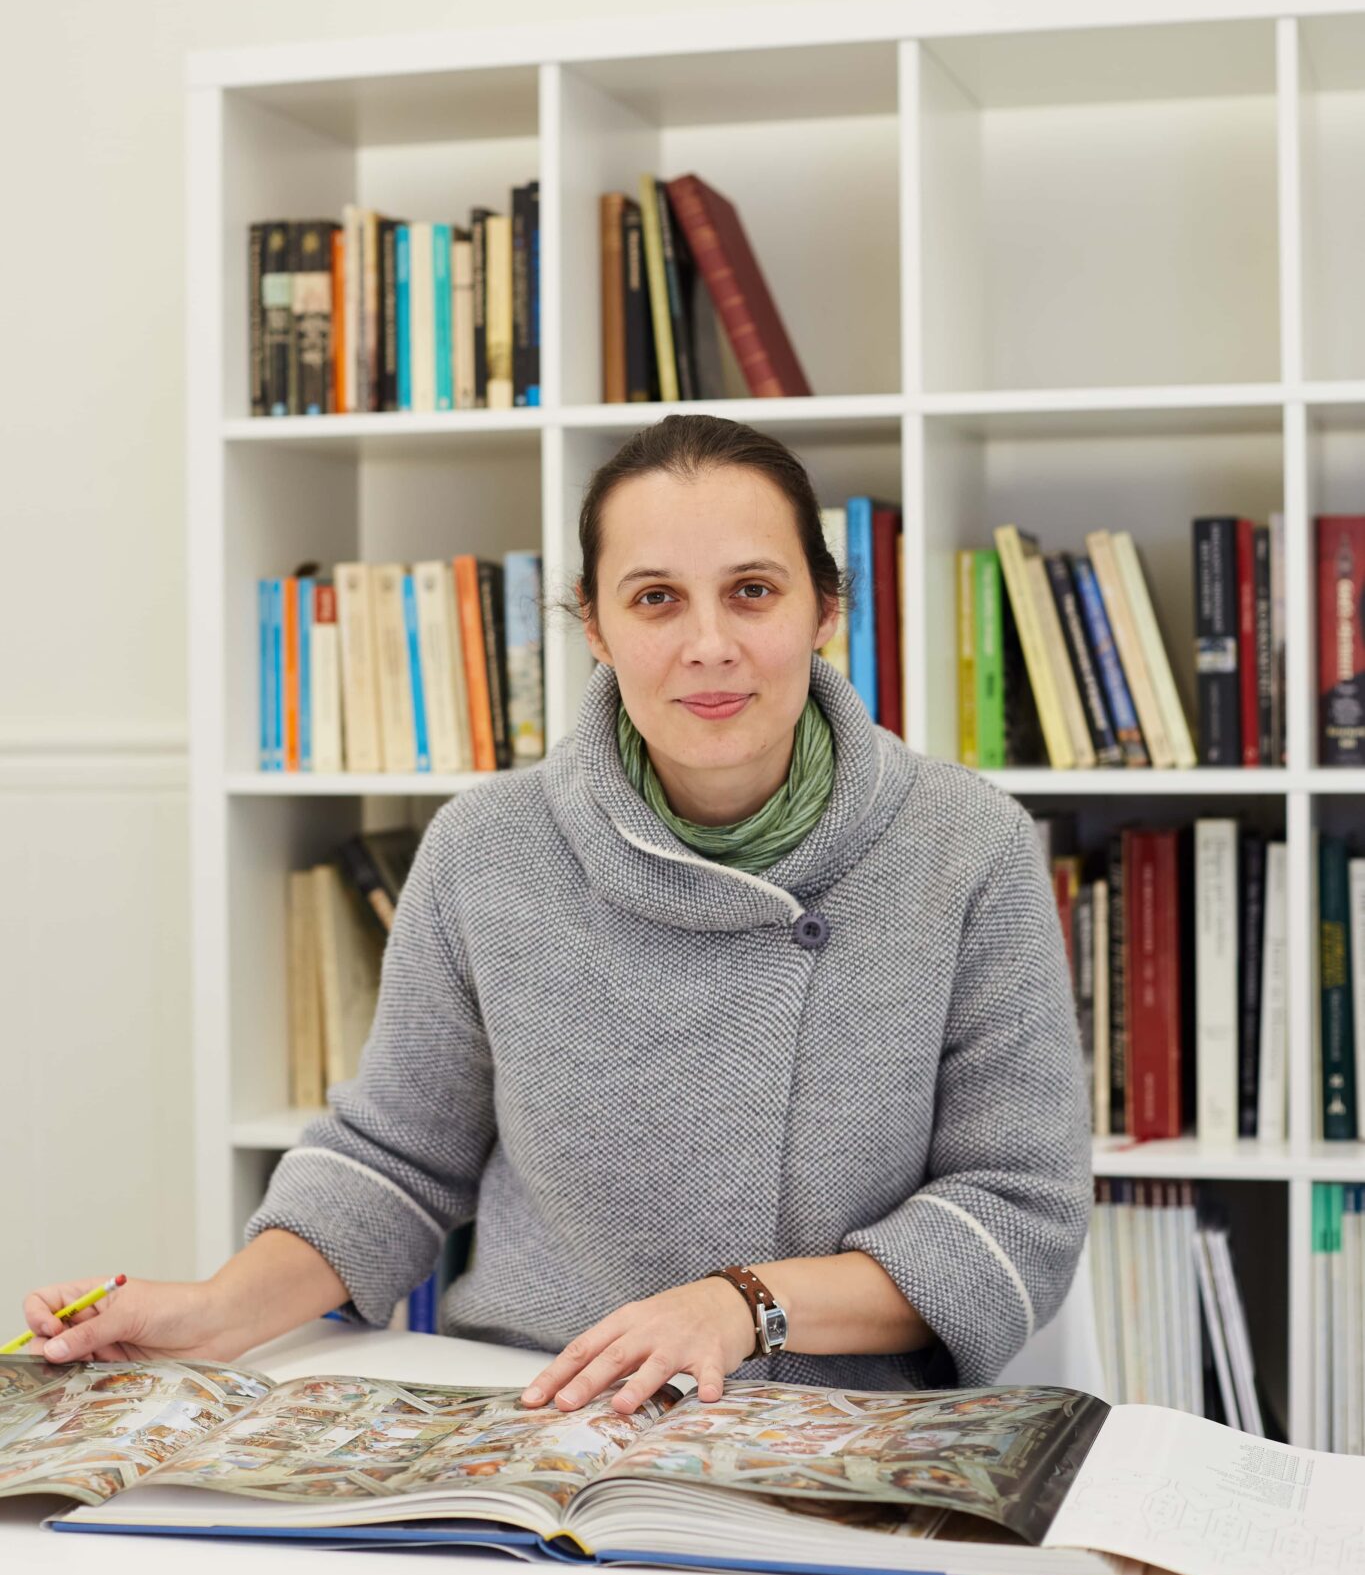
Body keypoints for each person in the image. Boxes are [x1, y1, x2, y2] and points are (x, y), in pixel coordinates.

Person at [23, 412, 1091, 1419]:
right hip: (540, 1415)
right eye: (657, 597)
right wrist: (213, 1308)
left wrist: (743, 1303)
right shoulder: (487, 846)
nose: (709, 642)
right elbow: (396, 1157)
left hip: (830, 1421)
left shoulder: (965, 844)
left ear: (828, 609)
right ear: (595, 624)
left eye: (754, 590)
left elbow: (1015, 1205)